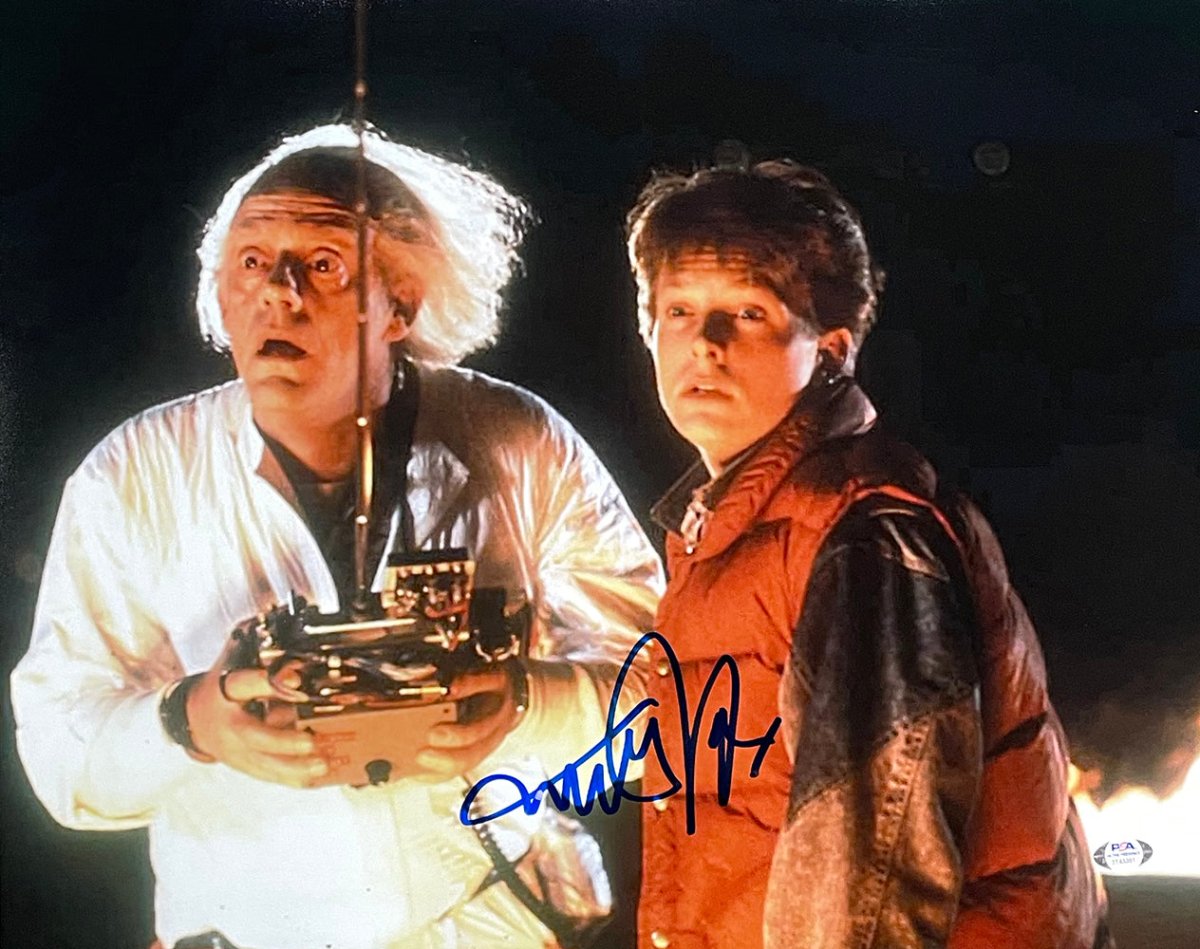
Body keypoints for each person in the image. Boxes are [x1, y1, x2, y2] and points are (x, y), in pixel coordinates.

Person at [11, 124, 663, 949]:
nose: (279, 293)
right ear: (220, 295)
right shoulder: (130, 478)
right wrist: (193, 721)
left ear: (402, 303)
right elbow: (59, 757)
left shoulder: (520, 442)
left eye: (322, 264)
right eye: (252, 262)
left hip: (492, 924)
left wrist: (526, 701)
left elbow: (666, 698)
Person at [625, 160, 1112, 948]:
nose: (706, 345)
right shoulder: (736, 529)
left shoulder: (863, 530)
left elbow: (872, 880)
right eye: (680, 309)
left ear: (831, 349)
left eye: (747, 311)